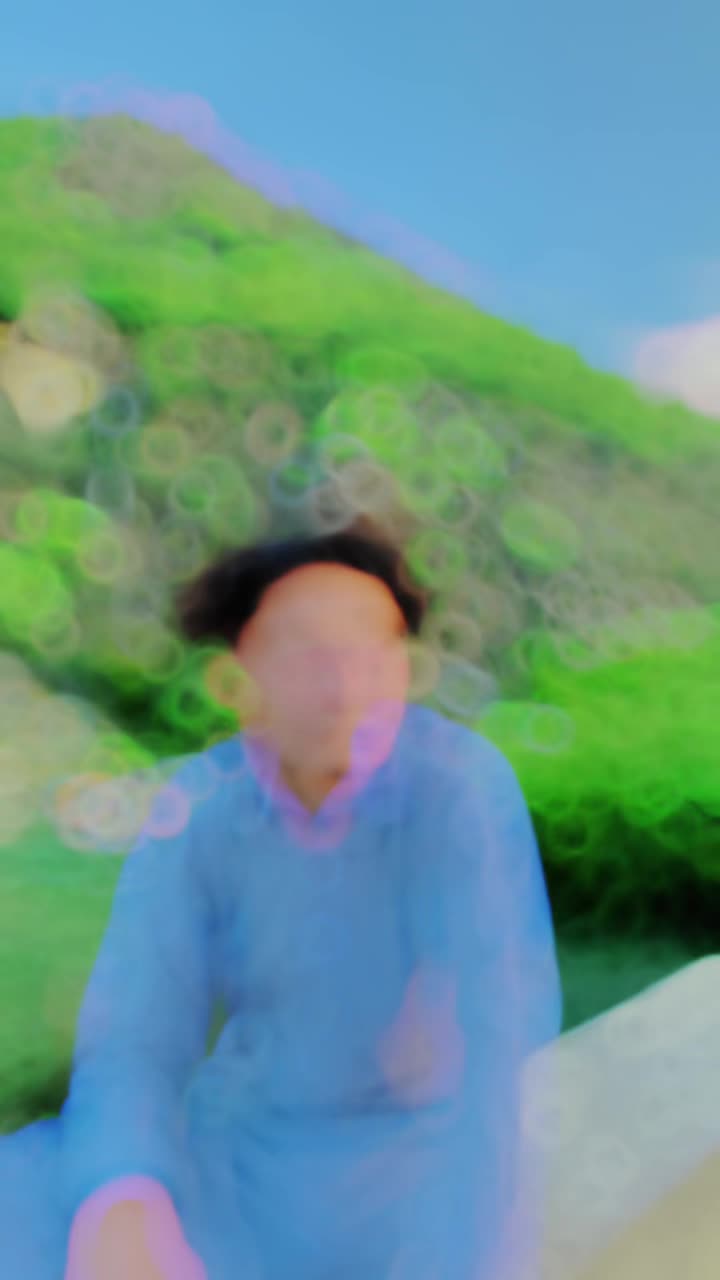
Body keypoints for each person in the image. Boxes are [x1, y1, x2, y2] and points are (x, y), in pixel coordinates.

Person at [0, 517, 563, 1280]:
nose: (346, 684)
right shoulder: (201, 809)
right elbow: (136, 1036)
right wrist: (124, 1195)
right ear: (240, 673)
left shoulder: (458, 791)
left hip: (408, 1171)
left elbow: (494, 1043)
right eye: (307, 651)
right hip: (242, 1160)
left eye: (374, 647)